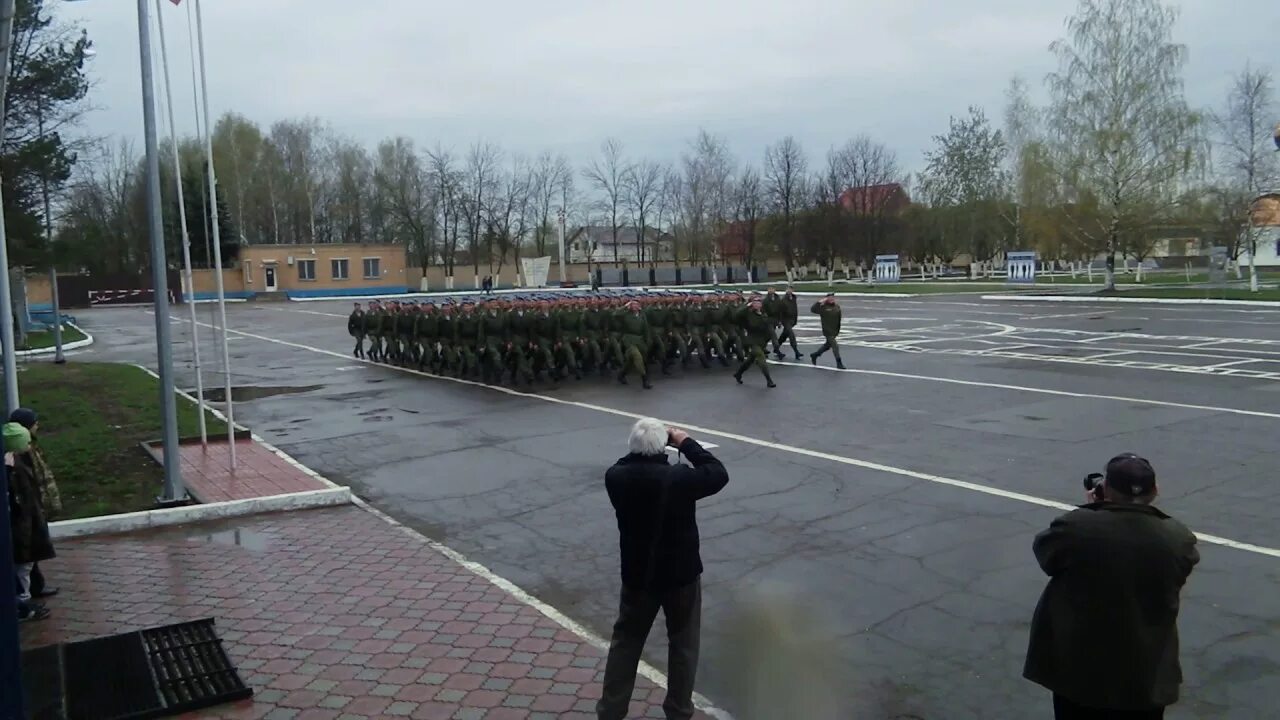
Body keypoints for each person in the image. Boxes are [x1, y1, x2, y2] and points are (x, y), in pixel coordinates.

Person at [1024, 454, 1199, 720]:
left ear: (1104, 490)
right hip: (1144, 672)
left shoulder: (1077, 527)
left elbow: (1047, 555)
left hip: (1079, 670)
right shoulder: (1178, 537)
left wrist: (1094, 510)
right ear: (1155, 491)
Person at [597, 419, 729, 720]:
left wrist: (645, 446)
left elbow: (626, 461)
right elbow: (718, 473)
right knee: (683, 645)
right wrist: (684, 442)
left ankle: (611, 710)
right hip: (680, 576)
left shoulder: (615, 477)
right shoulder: (678, 479)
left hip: (638, 577)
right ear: (663, 447)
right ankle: (679, 710)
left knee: (626, 644)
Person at [9, 408, 59, 600]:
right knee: (28, 552)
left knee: (30, 552)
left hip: (32, 508)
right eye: (35, 423)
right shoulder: (22, 453)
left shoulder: (28, 448)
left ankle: (36, 586)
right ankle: (28, 595)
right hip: (28, 510)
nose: (38, 425)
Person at [734, 299, 778, 388]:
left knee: (750, 360)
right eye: (755, 303)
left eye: (759, 303)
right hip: (751, 341)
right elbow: (737, 315)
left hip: (761, 342)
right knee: (761, 358)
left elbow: (770, 329)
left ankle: (738, 373)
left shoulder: (763, 315)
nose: (757, 305)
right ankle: (769, 380)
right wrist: (747, 306)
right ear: (752, 305)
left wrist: (774, 341)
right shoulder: (748, 314)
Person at [809, 292, 845, 369]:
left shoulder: (837, 307)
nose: (832, 299)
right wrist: (819, 302)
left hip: (835, 331)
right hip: (827, 331)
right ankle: (839, 363)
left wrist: (838, 330)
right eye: (830, 297)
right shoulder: (823, 307)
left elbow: (839, 319)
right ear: (826, 299)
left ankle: (815, 355)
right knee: (835, 346)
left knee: (827, 346)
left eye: (833, 297)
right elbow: (813, 309)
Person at [775, 288, 801, 361]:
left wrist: (795, 320)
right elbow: (780, 311)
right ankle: (796, 352)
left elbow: (795, 310)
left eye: (791, 289)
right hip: (786, 320)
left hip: (792, 320)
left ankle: (776, 348)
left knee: (784, 335)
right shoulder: (783, 300)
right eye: (788, 289)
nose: (789, 291)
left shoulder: (793, 298)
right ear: (786, 291)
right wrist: (779, 321)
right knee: (791, 335)